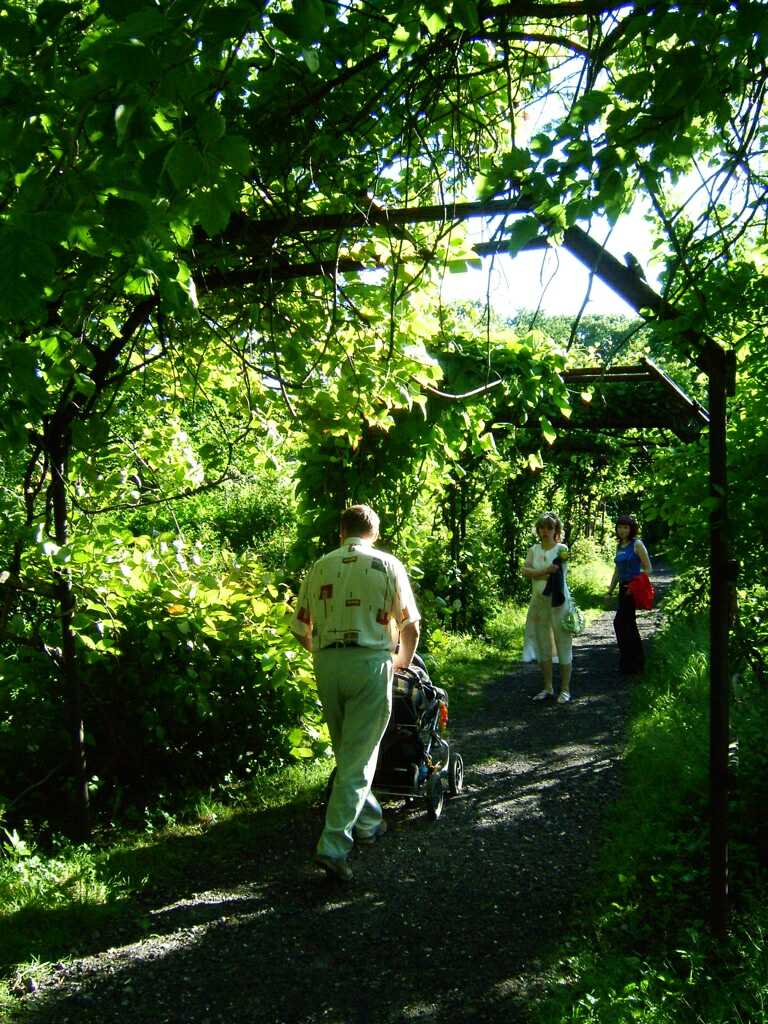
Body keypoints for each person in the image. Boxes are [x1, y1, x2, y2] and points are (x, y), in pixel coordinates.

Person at [291, 504, 420, 882]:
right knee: (360, 758)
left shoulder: (320, 566)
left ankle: (369, 821)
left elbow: (300, 629)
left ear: (341, 532)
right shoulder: (386, 565)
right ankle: (333, 845)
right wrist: (401, 663)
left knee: (348, 751)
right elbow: (409, 625)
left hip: (328, 664)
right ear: (374, 532)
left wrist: (323, 653)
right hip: (370, 661)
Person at [522, 512, 573, 704]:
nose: (545, 531)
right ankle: (548, 687)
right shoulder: (533, 550)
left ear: (556, 530)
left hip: (559, 603)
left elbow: (557, 575)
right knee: (543, 643)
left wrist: (536, 573)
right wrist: (543, 571)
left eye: (550, 528)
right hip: (538, 603)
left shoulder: (562, 549)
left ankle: (565, 689)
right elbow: (525, 571)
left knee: (563, 643)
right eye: (542, 527)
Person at [606, 514, 652, 675]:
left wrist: (634, 586)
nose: (622, 530)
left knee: (621, 623)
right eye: (620, 527)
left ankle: (634, 662)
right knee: (627, 624)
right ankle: (630, 663)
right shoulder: (620, 546)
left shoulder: (636, 544)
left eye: (626, 527)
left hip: (633, 589)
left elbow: (648, 569)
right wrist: (610, 590)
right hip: (622, 588)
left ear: (631, 529)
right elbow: (617, 571)